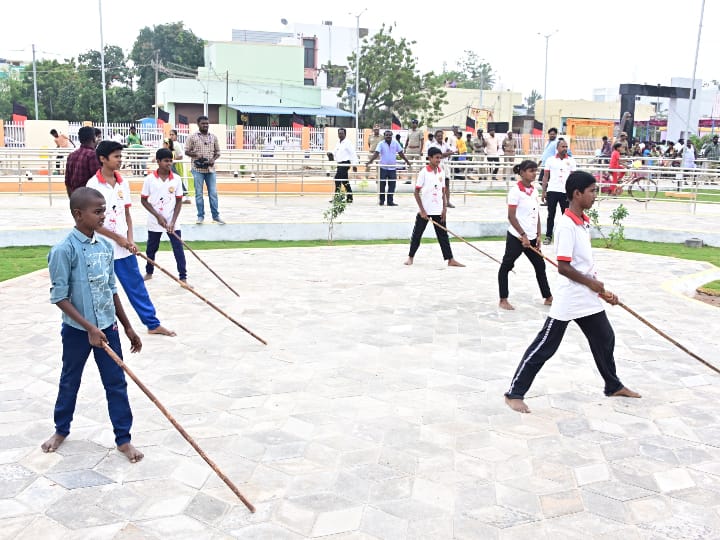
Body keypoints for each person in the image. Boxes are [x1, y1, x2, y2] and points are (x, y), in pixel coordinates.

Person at [504, 171, 641, 413]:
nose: (594, 195)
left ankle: (613, 384)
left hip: (587, 296)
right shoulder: (566, 225)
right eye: (591, 191)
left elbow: (582, 264)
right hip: (570, 298)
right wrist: (592, 284)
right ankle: (514, 393)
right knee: (546, 345)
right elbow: (564, 267)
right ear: (577, 194)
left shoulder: (583, 221)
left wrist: (600, 290)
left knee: (605, 337)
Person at [43, 186, 144, 462]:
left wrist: (127, 326)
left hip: (108, 328)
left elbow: (111, 289)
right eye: (97, 211)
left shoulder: (104, 247)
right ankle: (61, 429)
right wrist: (88, 327)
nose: (103, 216)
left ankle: (123, 439)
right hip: (78, 332)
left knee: (116, 383)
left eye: (105, 210)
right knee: (69, 380)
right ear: (78, 214)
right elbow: (60, 297)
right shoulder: (64, 250)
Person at [86, 140, 176, 337]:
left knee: (136, 286)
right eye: (116, 156)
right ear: (103, 159)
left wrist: (130, 239)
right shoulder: (92, 186)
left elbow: (127, 214)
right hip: (101, 248)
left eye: (120, 156)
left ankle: (152, 323)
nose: (120, 160)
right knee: (101, 290)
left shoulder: (123, 183)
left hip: (124, 248)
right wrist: (117, 238)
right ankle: (99, 329)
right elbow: (92, 222)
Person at [498, 160, 552, 310]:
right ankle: (503, 299)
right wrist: (523, 235)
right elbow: (511, 216)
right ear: (522, 173)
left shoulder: (534, 190)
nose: (534, 173)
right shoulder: (515, 192)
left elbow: (536, 213)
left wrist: (538, 234)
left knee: (540, 266)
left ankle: (548, 297)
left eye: (535, 170)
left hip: (532, 237)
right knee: (506, 266)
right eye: (530, 170)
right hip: (517, 237)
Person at [404, 147, 464, 267]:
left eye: (440, 157)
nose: (438, 160)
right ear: (430, 158)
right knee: (417, 234)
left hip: (438, 209)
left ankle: (450, 259)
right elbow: (416, 192)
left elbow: (443, 191)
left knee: (443, 235)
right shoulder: (423, 172)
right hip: (425, 210)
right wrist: (422, 210)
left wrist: (444, 208)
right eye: (436, 157)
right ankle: (410, 257)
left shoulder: (441, 171)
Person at [141, 148, 188, 284]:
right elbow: (144, 200)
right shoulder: (149, 179)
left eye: (171, 161)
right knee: (151, 248)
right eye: (166, 161)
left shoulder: (177, 179)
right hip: (155, 221)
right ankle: (149, 272)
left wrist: (173, 221)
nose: (169, 164)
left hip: (172, 221)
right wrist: (157, 216)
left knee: (178, 248)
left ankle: (183, 277)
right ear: (158, 161)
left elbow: (179, 200)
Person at [185, 115, 224, 224]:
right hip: (197, 169)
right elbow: (186, 151)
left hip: (210, 169)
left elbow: (218, 153)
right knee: (199, 194)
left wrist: (213, 159)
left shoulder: (213, 137)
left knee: (213, 193)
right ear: (198, 124)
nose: (205, 125)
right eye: (203, 123)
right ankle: (200, 216)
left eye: (207, 123)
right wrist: (196, 155)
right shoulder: (192, 137)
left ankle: (216, 216)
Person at [542, 139, 577, 245]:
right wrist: (544, 191)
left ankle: (565, 237)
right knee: (551, 215)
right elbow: (545, 176)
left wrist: (572, 193)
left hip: (565, 192)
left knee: (566, 215)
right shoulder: (550, 160)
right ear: (557, 148)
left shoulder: (571, 161)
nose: (565, 149)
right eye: (563, 147)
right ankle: (548, 236)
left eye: (566, 147)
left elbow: (573, 178)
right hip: (552, 190)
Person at [367, 129, 411, 206]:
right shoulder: (381, 143)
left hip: (392, 168)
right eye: (386, 135)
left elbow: (401, 153)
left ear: (391, 136)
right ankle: (381, 201)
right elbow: (376, 153)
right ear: (384, 136)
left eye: (389, 135)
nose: (388, 136)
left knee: (392, 185)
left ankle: (390, 201)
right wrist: (370, 161)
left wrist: (407, 161)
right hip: (383, 167)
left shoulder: (395, 143)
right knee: (382, 185)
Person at [64, 126, 101, 196]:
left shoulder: (71, 155)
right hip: (89, 197)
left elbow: (67, 182)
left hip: (75, 197)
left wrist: (72, 199)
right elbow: (98, 180)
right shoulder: (93, 155)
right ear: (93, 138)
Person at [328, 127, 358, 203]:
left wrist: (354, 165)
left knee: (337, 179)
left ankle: (337, 198)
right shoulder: (338, 143)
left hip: (345, 163)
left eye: (342, 133)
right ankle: (350, 197)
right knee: (345, 181)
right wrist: (330, 154)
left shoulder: (348, 143)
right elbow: (335, 152)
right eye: (339, 133)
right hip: (340, 164)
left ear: (345, 134)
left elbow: (353, 153)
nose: (340, 135)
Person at [427, 129, 456, 207]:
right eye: (438, 136)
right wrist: (446, 154)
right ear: (435, 137)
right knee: (436, 184)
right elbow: (439, 156)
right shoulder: (432, 145)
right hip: (437, 166)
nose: (440, 137)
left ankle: (447, 202)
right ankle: (435, 201)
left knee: (447, 183)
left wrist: (446, 153)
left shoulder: (445, 144)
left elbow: (450, 151)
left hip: (445, 165)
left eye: (441, 136)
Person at [168, 129, 190, 203]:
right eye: (170, 135)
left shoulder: (176, 144)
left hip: (178, 164)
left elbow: (180, 156)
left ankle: (185, 195)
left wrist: (172, 160)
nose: (171, 136)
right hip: (174, 164)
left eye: (172, 135)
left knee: (180, 179)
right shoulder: (171, 144)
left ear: (176, 136)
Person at [538, 127, 559, 192]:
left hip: (551, 166)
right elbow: (545, 153)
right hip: (544, 165)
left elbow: (557, 153)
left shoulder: (557, 143)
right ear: (549, 134)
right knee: (541, 180)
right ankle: (547, 194)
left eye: (553, 134)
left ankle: (548, 195)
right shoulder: (547, 142)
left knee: (546, 181)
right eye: (551, 134)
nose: (552, 135)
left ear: (556, 134)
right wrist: (539, 162)